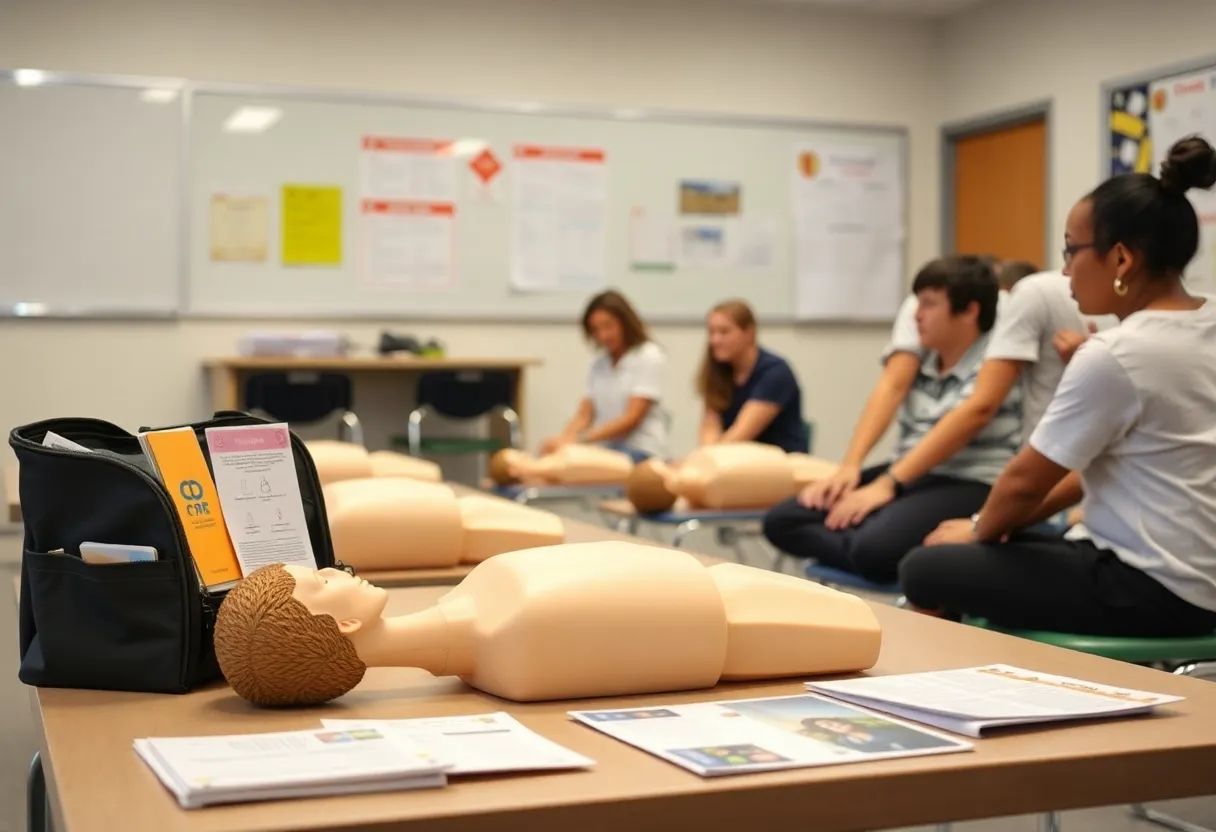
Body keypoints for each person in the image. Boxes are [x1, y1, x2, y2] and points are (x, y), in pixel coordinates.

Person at [900, 136, 1216, 638]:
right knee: (1000, 544)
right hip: (1198, 581)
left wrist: (980, 528)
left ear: (1121, 261)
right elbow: (1069, 471)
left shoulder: (1118, 352)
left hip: (1152, 588)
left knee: (924, 566)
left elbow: (1026, 479)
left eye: (1072, 249)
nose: (1065, 268)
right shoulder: (1206, 321)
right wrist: (995, 528)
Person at [762, 256, 1017, 584]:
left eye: (928, 305)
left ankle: (875, 547)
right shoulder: (921, 360)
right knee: (782, 520)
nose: (915, 315)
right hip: (908, 471)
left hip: (967, 479)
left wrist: (887, 486)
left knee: (874, 548)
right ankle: (874, 546)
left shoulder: (994, 363)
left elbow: (973, 415)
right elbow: (889, 388)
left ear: (969, 311)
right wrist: (849, 469)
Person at [541, 290, 669, 461]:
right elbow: (585, 414)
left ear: (624, 323)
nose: (603, 335)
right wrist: (563, 440)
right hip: (607, 448)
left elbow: (631, 418)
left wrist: (580, 440)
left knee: (574, 467)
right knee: (556, 458)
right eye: (596, 329)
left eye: (609, 326)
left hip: (641, 450)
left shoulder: (648, 355)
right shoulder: (599, 363)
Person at [697, 299, 808, 453]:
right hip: (736, 460)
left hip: (780, 462)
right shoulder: (720, 372)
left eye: (724, 332)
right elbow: (710, 426)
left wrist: (709, 460)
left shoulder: (776, 372)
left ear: (749, 333)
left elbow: (741, 434)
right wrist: (704, 458)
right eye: (712, 332)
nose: (715, 340)